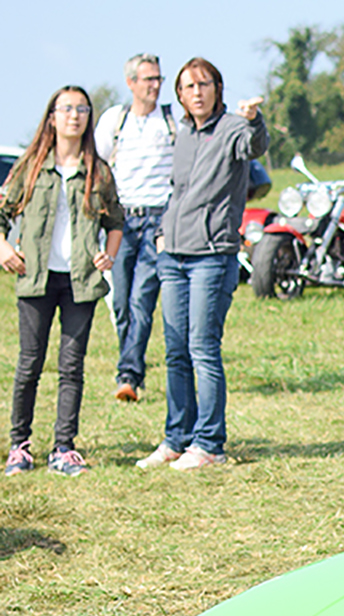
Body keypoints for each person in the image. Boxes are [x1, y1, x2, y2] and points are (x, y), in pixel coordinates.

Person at [138, 57, 265, 471]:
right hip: (172, 254)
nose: (196, 92)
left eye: (204, 84)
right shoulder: (182, 133)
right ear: (179, 94)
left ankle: (209, 443)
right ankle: (177, 438)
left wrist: (254, 119)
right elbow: (176, 190)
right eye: (188, 86)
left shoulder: (231, 129)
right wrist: (161, 236)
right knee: (175, 350)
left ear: (217, 88)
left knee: (202, 348)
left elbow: (254, 147)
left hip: (211, 256)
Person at [1, 87, 124, 478]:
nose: (75, 115)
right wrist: (3, 248)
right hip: (36, 278)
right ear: (52, 116)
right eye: (67, 108)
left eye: (82, 109)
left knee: (72, 366)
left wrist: (111, 253)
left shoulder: (99, 171)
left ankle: (63, 449)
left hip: (80, 282)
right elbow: (2, 213)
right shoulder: (30, 166)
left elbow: (115, 221)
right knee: (29, 364)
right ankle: (19, 447)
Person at [96, 53, 173, 404]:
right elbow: (97, 165)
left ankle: (129, 375)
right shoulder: (116, 119)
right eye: (147, 79)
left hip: (158, 218)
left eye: (157, 78)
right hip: (121, 220)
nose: (155, 85)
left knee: (143, 297)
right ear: (131, 83)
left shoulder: (172, 121)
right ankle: (130, 361)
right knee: (121, 302)